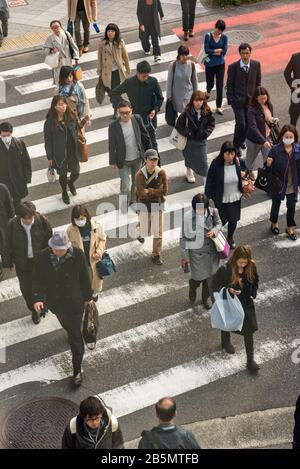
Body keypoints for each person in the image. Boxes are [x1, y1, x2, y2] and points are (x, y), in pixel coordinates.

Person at [32, 231, 93, 386]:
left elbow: (85, 278)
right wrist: (38, 298)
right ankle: (71, 332)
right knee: (66, 324)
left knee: (75, 335)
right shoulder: (42, 256)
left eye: (63, 249)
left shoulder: (77, 255)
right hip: (56, 302)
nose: (59, 252)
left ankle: (77, 370)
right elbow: (37, 279)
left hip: (74, 302)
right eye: (56, 249)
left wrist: (88, 298)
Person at [213, 245, 260, 373]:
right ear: (235, 259)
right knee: (227, 323)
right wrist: (228, 290)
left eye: (245, 262)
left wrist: (253, 293)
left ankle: (250, 360)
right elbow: (215, 285)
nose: (242, 265)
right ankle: (225, 341)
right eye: (240, 262)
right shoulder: (226, 269)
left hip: (246, 303)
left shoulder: (251, 267)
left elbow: (255, 280)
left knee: (249, 331)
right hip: (230, 302)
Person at [3, 202, 52, 324]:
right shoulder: (12, 225)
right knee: (26, 289)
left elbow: (49, 240)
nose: (29, 221)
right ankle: (34, 309)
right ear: (20, 217)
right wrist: (8, 262)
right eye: (25, 219)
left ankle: (42, 305)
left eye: (31, 217)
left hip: (40, 262)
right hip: (22, 264)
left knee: (43, 285)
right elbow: (7, 245)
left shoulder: (42, 221)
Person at [109, 100, 152, 211]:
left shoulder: (136, 119)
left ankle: (133, 201)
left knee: (136, 183)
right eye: (122, 112)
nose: (125, 115)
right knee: (125, 184)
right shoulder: (113, 126)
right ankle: (124, 204)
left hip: (137, 158)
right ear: (118, 112)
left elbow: (145, 135)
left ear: (131, 111)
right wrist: (112, 161)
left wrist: (149, 154)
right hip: (122, 160)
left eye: (127, 112)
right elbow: (111, 144)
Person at [180, 193, 222, 309]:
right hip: (196, 253)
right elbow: (183, 238)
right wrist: (184, 257)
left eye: (202, 209)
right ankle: (193, 285)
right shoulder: (188, 217)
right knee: (198, 278)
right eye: (197, 209)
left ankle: (205, 298)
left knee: (209, 277)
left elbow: (219, 224)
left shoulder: (214, 212)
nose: (199, 211)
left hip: (211, 251)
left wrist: (214, 230)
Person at [111, 60, 164, 152]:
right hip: (135, 118)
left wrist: (155, 110)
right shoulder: (129, 82)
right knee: (139, 145)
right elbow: (114, 93)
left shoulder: (153, 81)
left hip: (150, 119)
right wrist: (125, 105)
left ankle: (155, 164)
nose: (146, 78)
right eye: (144, 76)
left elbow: (160, 98)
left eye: (147, 75)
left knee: (153, 146)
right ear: (138, 73)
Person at [205, 141, 246, 250]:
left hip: (235, 197)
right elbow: (209, 181)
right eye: (227, 154)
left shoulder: (238, 162)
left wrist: (244, 174)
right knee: (220, 221)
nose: (230, 156)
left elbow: (245, 171)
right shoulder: (216, 164)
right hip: (221, 198)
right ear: (222, 153)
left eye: (232, 154)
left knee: (233, 220)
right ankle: (215, 238)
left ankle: (230, 238)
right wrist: (207, 198)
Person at [44, 96, 82, 205]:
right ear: (54, 107)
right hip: (59, 153)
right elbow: (48, 141)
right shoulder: (49, 122)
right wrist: (50, 157)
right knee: (63, 174)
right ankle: (64, 192)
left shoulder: (71, 116)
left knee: (76, 172)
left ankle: (71, 183)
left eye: (64, 103)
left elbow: (78, 128)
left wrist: (84, 121)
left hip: (72, 150)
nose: (63, 106)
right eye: (60, 104)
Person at [226, 43, 262, 156]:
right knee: (240, 124)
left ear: (250, 53)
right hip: (238, 101)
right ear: (240, 54)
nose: (245, 56)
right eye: (243, 53)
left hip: (251, 101)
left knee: (249, 124)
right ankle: (235, 145)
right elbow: (229, 85)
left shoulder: (256, 65)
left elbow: (258, 83)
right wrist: (231, 99)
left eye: (247, 53)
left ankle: (241, 140)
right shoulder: (233, 67)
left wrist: (257, 99)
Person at [266, 124, 300, 241]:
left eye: (291, 137)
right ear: (282, 137)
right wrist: (268, 164)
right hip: (279, 184)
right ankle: (274, 223)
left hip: (292, 184)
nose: (289, 139)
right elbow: (267, 170)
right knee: (276, 205)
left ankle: (290, 227)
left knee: (291, 206)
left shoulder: (298, 150)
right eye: (287, 136)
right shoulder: (275, 150)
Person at [67, 205, 106, 302]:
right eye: (77, 219)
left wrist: (99, 251)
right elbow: (67, 247)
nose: (80, 221)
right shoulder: (70, 230)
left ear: (86, 216)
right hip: (80, 263)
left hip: (94, 261)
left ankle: (94, 294)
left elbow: (102, 239)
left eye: (82, 218)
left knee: (96, 282)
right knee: (83, 282)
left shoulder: (96, 226)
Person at [135, 149, 168, 265]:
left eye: (156, 160)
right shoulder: (139, 175)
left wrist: (149, 190)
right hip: (144, 206)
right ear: (145, 161)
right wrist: (156, 192)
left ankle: (156, 254)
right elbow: (141, 194)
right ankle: (139, 231)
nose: (154, 163)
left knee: (158, 231)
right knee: (145, 229)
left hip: (158, 205)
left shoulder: (161, 173)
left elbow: (165, 191)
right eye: (151, 160)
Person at [175, 90, 215, 183]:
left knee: (203, 162)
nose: (199, 103)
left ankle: (206, 182)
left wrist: (205, 133)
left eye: (201, 101)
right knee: (189, 157)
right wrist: (188, 133)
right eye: (196, 101)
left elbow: (211, 124)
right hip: (189, 141)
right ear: (192, 101)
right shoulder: (187, 112)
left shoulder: (207, 112)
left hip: (201, 140)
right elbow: (179, 125)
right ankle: (189, 171)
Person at [97, 23, 131, 114]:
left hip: (116, 72)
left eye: (112, 31)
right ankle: (124, 105)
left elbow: (125, 56)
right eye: (108, 31)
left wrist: (128, 69)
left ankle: (117, 109)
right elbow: (99, 57)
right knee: (110, 92)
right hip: (106, 72)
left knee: (114, 92)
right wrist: (99, 70)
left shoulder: (120, 42)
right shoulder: (102, 43)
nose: (110, 33)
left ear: (116, 32)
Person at [246, 86, 278, 179]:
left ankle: (268, 178)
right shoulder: (252, 109)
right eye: (261, 99)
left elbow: (268, 118)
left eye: (265, 98)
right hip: (254, 140)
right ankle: (249, 172)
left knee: (268, 159)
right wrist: (263, 141)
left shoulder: (269, 105)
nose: (263, 100)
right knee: (250, 159)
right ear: (256, 98)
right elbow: (253, 127)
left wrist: (272, 120)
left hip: (267, 137)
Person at [0, 122, 32, 209]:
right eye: (4, 136)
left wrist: (27, 178)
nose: (6, 138)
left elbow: (26, 161)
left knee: (17, 203)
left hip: (18, 180)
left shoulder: (19, 143)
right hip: (3, 181)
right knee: (6, 203)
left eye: (8, 135)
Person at [43, 20, 80, 88]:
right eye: (54, 27)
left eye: (57, 27)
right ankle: (61, 93)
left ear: (60, 27)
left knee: (70, 78)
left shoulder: (66, 34)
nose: (56, 29)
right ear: (51, 29)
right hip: (58, 63)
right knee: (60, 80)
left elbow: (73, 45)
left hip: (67, 61)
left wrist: (76, 57)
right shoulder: (50, 38)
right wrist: (51, 50)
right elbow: (44, 50)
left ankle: (71, 91)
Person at [204, 19, 228, 115]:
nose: (219, 32)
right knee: (210, 83)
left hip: (220, 64)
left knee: (220, 85)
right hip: (209, 65)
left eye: (221, 30)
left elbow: (224, 51)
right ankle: (208, 92)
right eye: (218, 29)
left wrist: (213, 51)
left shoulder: (224, 37)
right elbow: (206, 50)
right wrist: (217, 51)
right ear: (215, 27)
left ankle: (218, 106)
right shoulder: (208, 36)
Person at [166, 45, 198, 117]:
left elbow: (194, 81)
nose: (185, 57)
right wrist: (169, 96)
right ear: (179, 55)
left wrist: (196, 94)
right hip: (176, 96)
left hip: (188, 95)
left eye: (186, 55)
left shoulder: (192, 65)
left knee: (187, 113)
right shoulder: (173, 65)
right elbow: (169, 81)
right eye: (183, 55)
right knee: (176, 114)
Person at [0, 183, 14, 280]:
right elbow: (10, 210)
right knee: (3, 244)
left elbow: (10, 210)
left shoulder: (2, 188)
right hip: (2, 224)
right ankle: (6, 261)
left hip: (2, 224)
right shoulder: (2, 188)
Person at [284, 52, 300, 127]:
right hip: (296, 90)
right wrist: (293, 85)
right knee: (294, 114)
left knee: (294, 112)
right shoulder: (295, 57)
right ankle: (292, 134)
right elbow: (286, 72)